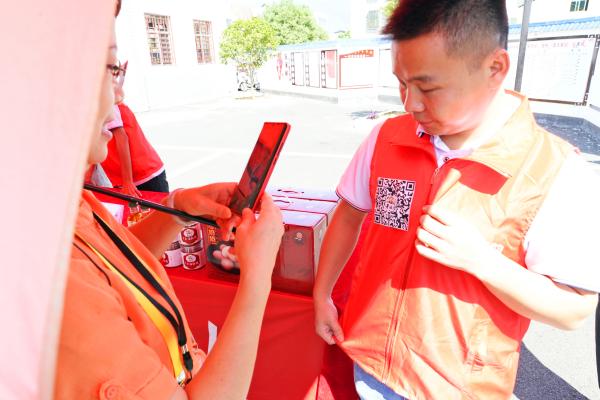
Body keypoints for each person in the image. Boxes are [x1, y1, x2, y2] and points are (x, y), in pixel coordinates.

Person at [313, 1, 600, 399]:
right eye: (402, 83)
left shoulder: (555, 171)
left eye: (428, 88)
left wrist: (483, 262)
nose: (410, 104)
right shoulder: (387, 137)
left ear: (494, 68)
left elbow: (574, 310)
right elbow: (349, 213)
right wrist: (322, 293)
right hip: (371, 363)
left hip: (459, 388)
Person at [54, 2, 284, 399]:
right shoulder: (58, 282)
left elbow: (117, 265)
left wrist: (179, 209)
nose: (120, 94)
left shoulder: (66, 200)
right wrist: (257, 278)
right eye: (111, 69)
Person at [102, 100, 170, 196]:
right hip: (123, 178)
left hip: (144, 175)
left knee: (159, 205)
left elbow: (122, 139)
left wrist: (127, 181)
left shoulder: (105, 101)